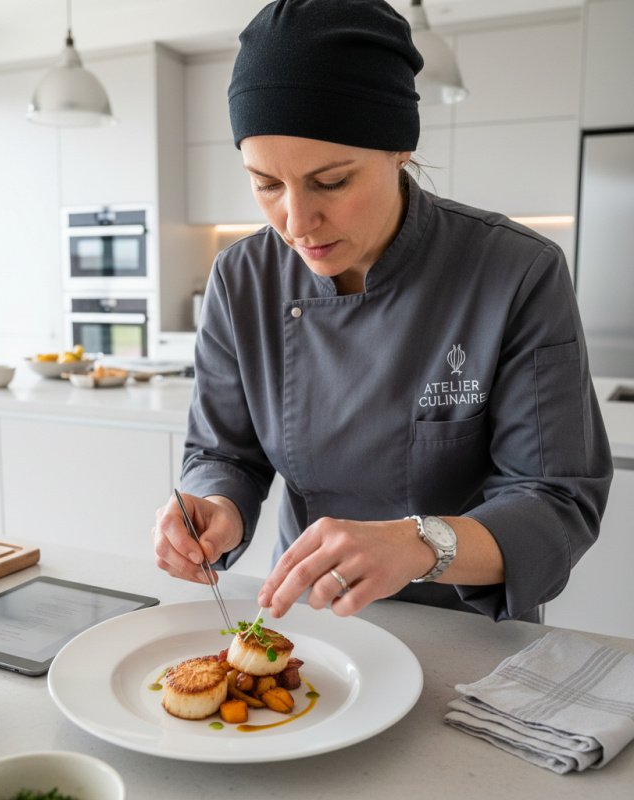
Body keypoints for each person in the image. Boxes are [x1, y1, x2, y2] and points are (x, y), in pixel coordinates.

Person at [153, 0, 612, 623]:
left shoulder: (516, 271)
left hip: (467, 633)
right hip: (306, 618)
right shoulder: (242, 278)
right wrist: (214, 509)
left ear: (400, 150)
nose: (296, 221)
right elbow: (225, 454)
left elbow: (556, 499)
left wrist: (421, 543)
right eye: (266, 184)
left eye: (332, 181)